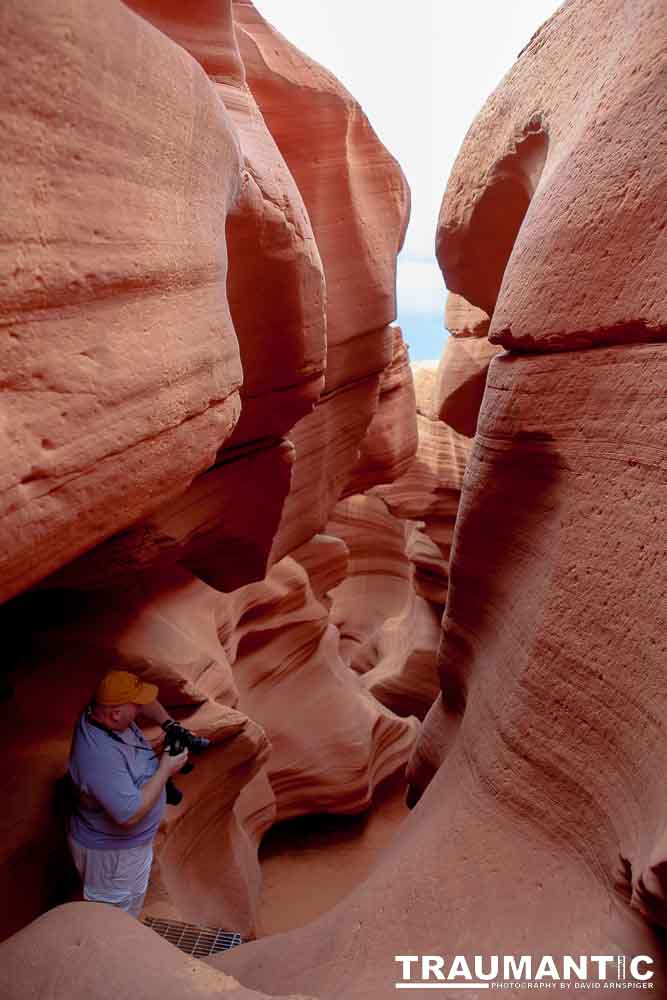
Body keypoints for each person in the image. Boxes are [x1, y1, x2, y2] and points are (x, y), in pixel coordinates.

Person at [67, 669, 189, 919]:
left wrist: (169, 724)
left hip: (128, 851)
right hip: (113, 859)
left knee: (129, 904)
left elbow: (148, 704)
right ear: (115, 715)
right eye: (136, 705)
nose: (141, 709)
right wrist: (166, 769)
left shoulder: (105, 715)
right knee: (114, 921)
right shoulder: (99, 756)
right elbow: (129, 815)